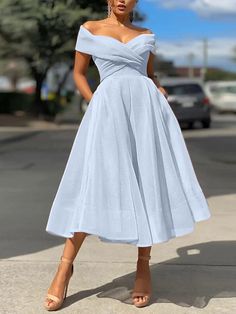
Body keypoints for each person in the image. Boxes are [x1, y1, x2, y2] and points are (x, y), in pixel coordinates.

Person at [44, 0, 211, 310]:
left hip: (146, 116)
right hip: (107, 113)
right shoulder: (90, 30)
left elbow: (147, 73)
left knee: (146, 183)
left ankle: (143, 266)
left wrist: (157, 86)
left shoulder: (146, 34)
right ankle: (65, 267)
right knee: (91, 186)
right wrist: (96, 103)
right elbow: (80, 74)